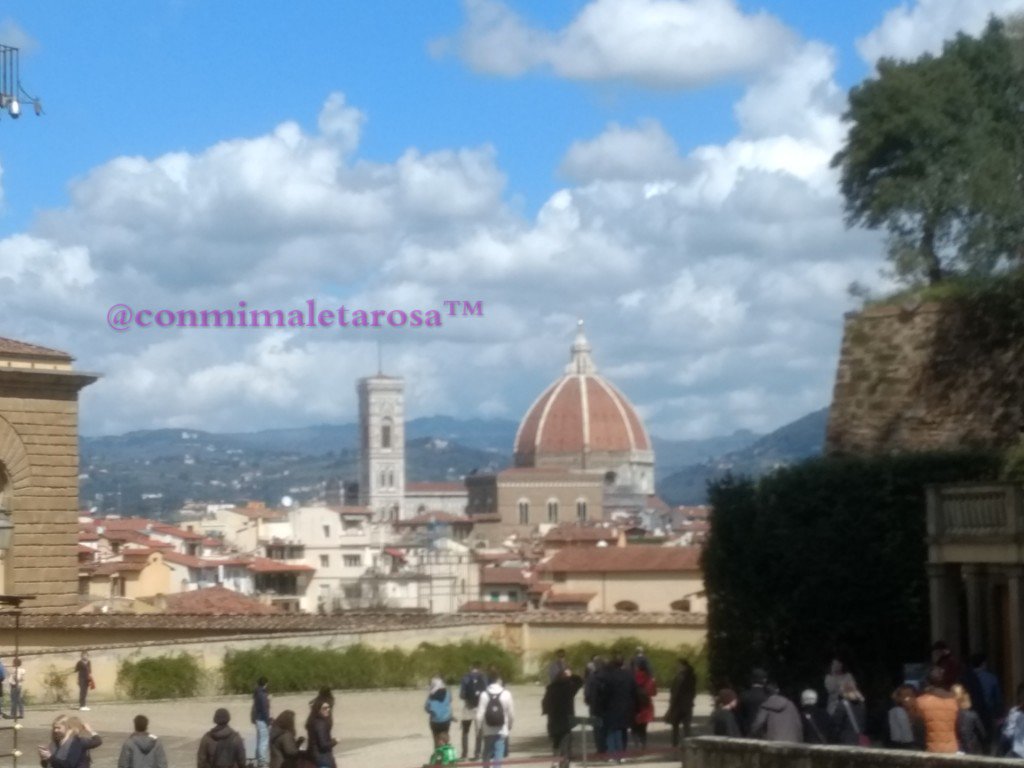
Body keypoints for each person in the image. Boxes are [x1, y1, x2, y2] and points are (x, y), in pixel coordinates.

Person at [595, 653, 637, 759]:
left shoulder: (609, 676)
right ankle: (622, 753)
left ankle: (612, 753)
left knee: (611, 730)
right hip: (626, 707)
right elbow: (634, 692)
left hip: (612, 707)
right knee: (623, 731)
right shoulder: (629, 676)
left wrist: (601, 705)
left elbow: (605, 693)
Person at [541, 666, 583, 768]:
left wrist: (547, 711)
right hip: (566, 720)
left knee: (556, 743)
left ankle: (555, 761)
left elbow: (544, 703)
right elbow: (580, 681)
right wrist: (571, 675)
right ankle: (564, 764)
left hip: (553, 720)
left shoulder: (551, 688)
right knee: (565, 744)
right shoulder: (569, 688)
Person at [476, 670, 514, 768]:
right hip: (501, 728)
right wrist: (510, 725)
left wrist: (478, 728)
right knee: (498, 753)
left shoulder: (484, 694)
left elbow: (479, 714)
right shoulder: (506, 694)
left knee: (487, 751)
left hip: (487, 728)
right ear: (498, 680)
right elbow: (511, 713)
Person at [917, 666, 959, 753]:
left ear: (927, 681)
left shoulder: (920, 701)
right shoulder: (953, 701)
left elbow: (918, 729)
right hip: (952, 748)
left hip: (931, 749)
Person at [664, 658, 697, 746]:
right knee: (687, 727)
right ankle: (688, 745)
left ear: (683, 666)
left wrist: (670, 706)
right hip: (688, 705)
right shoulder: (692, 676)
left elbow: (675, 693)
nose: (676, 667)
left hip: (678, 705)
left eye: (678, 665)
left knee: (675, 727)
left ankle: (675, 745)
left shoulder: (679, 677)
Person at [458, 661, 487, 761]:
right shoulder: (483, 678)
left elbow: (461, 695)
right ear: (479, 668)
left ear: (470, 667)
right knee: (479, 731)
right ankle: (477, 754)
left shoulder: (465, 678)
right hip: (480, 708)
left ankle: (464, 754)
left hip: (468, 707)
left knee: (465, 731)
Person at [830, 680, 868, 746]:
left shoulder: (842, 705)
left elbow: (836, 723)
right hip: (859, 737)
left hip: (846, 739)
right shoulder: (861, 703)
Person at [887, 684, 925, 749]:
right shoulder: (897, 711)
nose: (907, 698)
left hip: (916, 742)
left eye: (910, 695)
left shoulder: (919, 707)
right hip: (905, 743)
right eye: (904, 696)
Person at [952, 683, 986, 755]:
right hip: (972, 748)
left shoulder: (952, 714)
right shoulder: (973, 715)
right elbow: (982, 733)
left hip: (956, 748)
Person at [305, 697, 336, 768]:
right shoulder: (320, 724)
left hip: (315, 755)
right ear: (318, 709)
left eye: (329, 707)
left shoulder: (312, 720)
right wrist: (335, 741)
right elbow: (323, 745)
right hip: (322, 757)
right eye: (325, 708)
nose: (328, 710)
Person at [737, 668, 769, 736]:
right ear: (764, 680)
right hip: (764, 734)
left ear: (751, 680)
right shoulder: (767, 697)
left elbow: (739, 717)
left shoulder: (743, 696)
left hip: (747, 734)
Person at [631, 667, 657, 751]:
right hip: (646, 708)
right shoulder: (649, 680)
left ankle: (636, 744)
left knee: (634, 728)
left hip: (635, 707)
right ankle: (643, 744)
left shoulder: (633, 679)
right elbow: (654, 693)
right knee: (643, 728)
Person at [425, 677, 452, 748]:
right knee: (444, 737)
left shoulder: (431, 696)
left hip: (435, 721)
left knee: (436, 739)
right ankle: (446, 752)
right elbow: (449, 701)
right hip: (446, 720)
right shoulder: (447, 693)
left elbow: (427, 708)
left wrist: (432, 711)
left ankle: (437, 754)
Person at [252, 676, 272, 768]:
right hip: (262, 719)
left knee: (259, 739)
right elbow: (264, 709)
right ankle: (262, 761)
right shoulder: (263, 694)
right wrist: (268, 720)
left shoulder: (257, 693)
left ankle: (258, 759)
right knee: (264, 740)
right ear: (265, 683)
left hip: (257, 719)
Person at [1002, 683, 1024, 758]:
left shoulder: (1014, 712)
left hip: (1017, 752)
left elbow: (1009, 734)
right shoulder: (1014, 711)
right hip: (1017, 752)